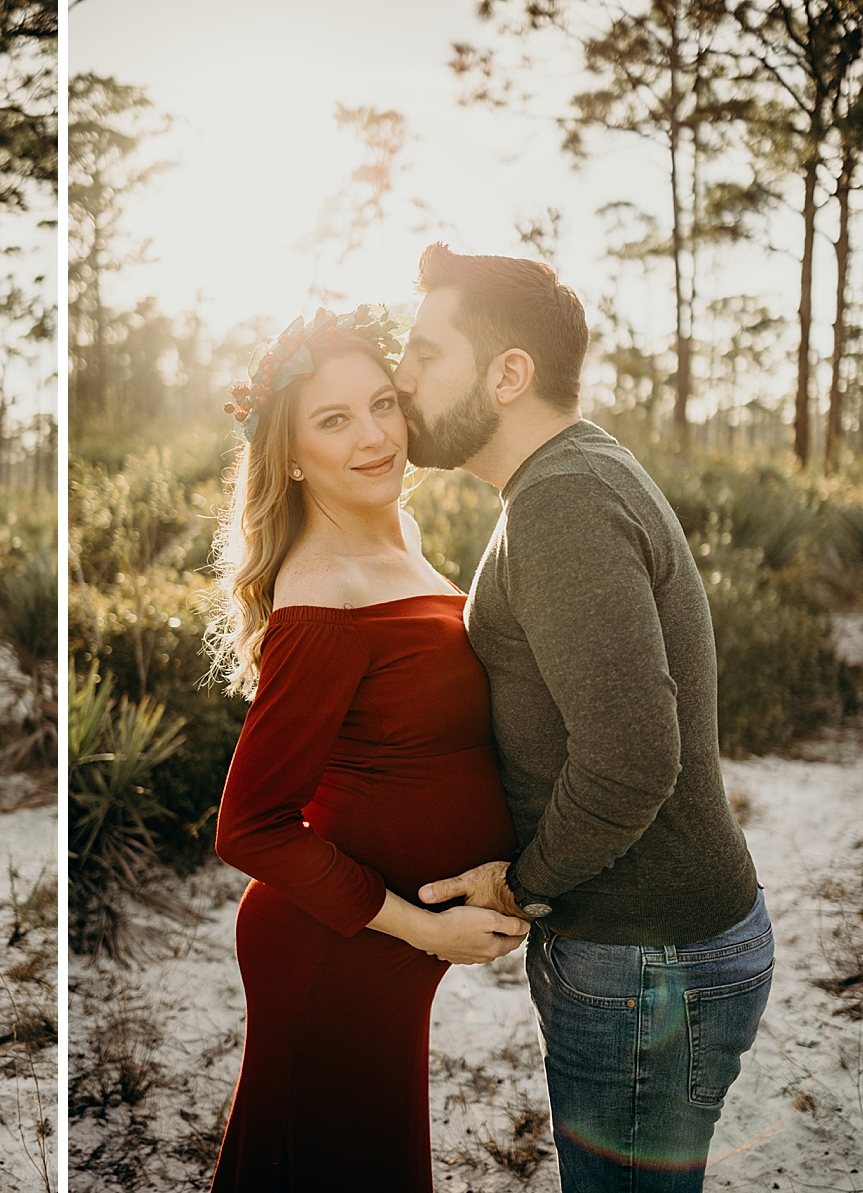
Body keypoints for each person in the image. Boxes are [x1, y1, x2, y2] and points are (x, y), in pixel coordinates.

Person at [399, 244, 772, 1192]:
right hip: (652, 950)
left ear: (507, 373)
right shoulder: (573, 470)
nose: (401, 380)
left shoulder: (561, 500)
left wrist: (521, 886)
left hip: (647, 963)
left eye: (422, 354)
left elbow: (634, 756)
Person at [206, 306, 529, 1192]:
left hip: (379, 956)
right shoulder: (322, 593)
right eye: (334, 420)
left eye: (382, 404)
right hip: (332, 955)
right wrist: (426, 928)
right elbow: (250, 827)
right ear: (290, 453)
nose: (374, 435)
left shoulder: (404, 541)